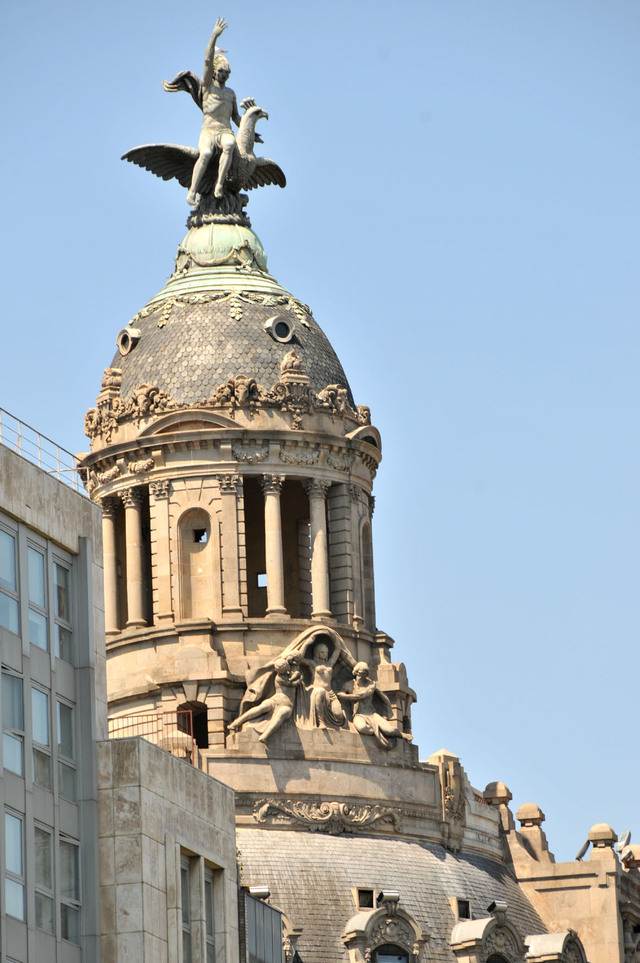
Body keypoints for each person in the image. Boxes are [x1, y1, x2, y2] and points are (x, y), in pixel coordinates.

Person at [186, 17, 253, 204]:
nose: (224, 75)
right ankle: (192, 191)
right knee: (205, 154)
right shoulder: (207, 87)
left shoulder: (231, 94)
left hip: (224, 130)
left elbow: (236, 118)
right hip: (208, 130)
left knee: (230, 145)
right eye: (221, 71)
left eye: (227, 72)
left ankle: (219, 184)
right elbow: (207, 60)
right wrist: (214, 36)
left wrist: (250, 128)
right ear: (215, 72)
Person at [228, 654, 302, 743]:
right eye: (278, 669)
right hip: (275, 700)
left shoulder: (287, 675)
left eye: (281, 669)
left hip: (286, 705)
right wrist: (299, 677)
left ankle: (265, 735)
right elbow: (292, 683)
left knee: (281, 713)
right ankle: (237, 722)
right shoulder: (279, 678)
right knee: (261, 708)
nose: (279, 671)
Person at [339, 662, 407, 749]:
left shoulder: (371, 684)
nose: (361, 676)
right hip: (359, 715)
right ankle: (377, 731)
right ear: (355, 673)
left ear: (366, 674)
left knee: (389, 730)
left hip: (372, 714)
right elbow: (340, 693)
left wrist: (345, 696)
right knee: (363, 728)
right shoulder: (349, 684)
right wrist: (340, 694)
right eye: (360, 674)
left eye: (364, 674)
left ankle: (401, 734)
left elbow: (361, 695)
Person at [302, 640, 345, 729]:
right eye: (322, 652)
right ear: (317, 653)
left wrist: (333, 636)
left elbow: (337, 649)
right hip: (317, 690)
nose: (324, 654)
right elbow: (300, 658)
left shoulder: (329, 663)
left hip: (330, 692)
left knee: (339, 715)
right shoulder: (313, 663)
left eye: (326, 652)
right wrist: (306, 643)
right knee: (320, 691)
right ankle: (321, 722)